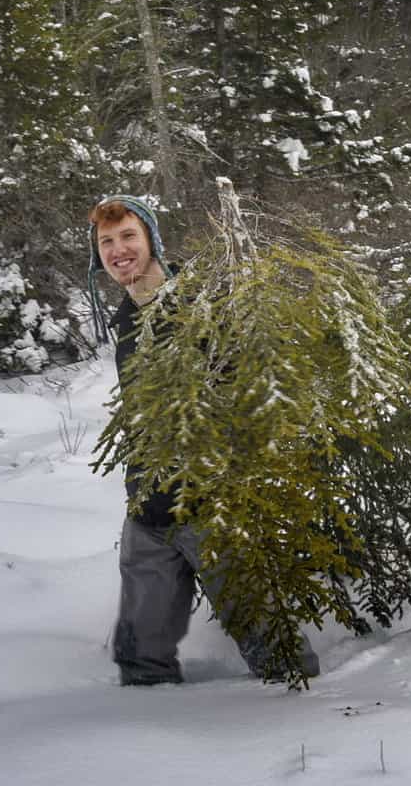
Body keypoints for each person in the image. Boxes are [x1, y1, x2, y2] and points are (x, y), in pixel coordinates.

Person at [87, 194, 320, 686]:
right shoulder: (127, 317)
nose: (118, 249)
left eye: (128, 236)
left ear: (151, 238)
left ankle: (309, 725)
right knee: (141, 665)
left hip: (210, 504)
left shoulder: (197, 304)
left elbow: (248, 391)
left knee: (278, 658)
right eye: (106, 242)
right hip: (148, 506)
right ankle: (145, 743)